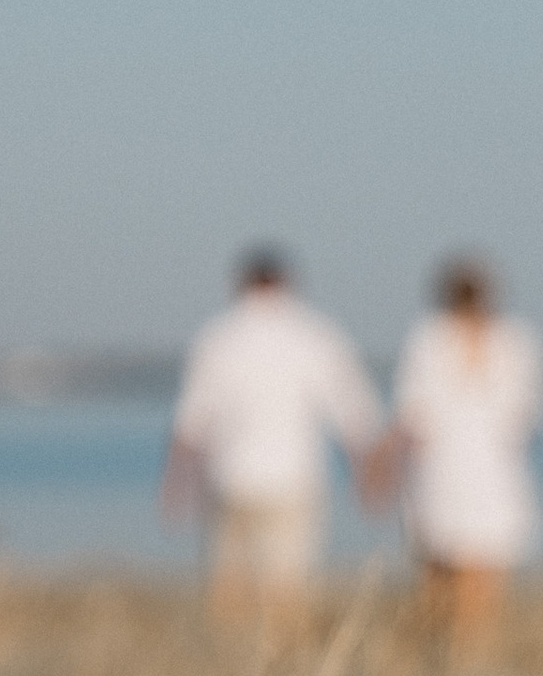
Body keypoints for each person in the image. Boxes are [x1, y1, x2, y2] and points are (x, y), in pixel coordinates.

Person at [162, 248, 393, 624]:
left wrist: (174, 490)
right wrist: (369, 482)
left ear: (239, 284)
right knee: (288, 591)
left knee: (228, 590)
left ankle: (230, 668)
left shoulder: (219, 336)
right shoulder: (315, 336)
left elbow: (190, 426)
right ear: (288, 283)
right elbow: (357, 420)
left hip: (229, 480)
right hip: (293, 481)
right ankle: (285, 668)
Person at [390, 257, 543, 639]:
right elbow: (527, 418)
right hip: (495, 471)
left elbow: (411, 415)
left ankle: (445, 649)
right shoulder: (516, 341)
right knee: (487, 573)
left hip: (440, 471)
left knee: (438, 571)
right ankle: (474, 650)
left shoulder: (428, 339)